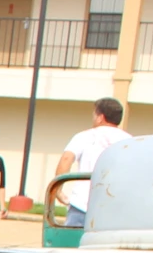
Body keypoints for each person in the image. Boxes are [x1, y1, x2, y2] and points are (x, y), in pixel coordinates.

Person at [51, 98, 131, 228]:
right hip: (114, 205)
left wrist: (58, 190)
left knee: (72, 244)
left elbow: (66, 159)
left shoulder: (84, 136)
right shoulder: (129, 140)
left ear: (100, 117)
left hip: (82, 204)